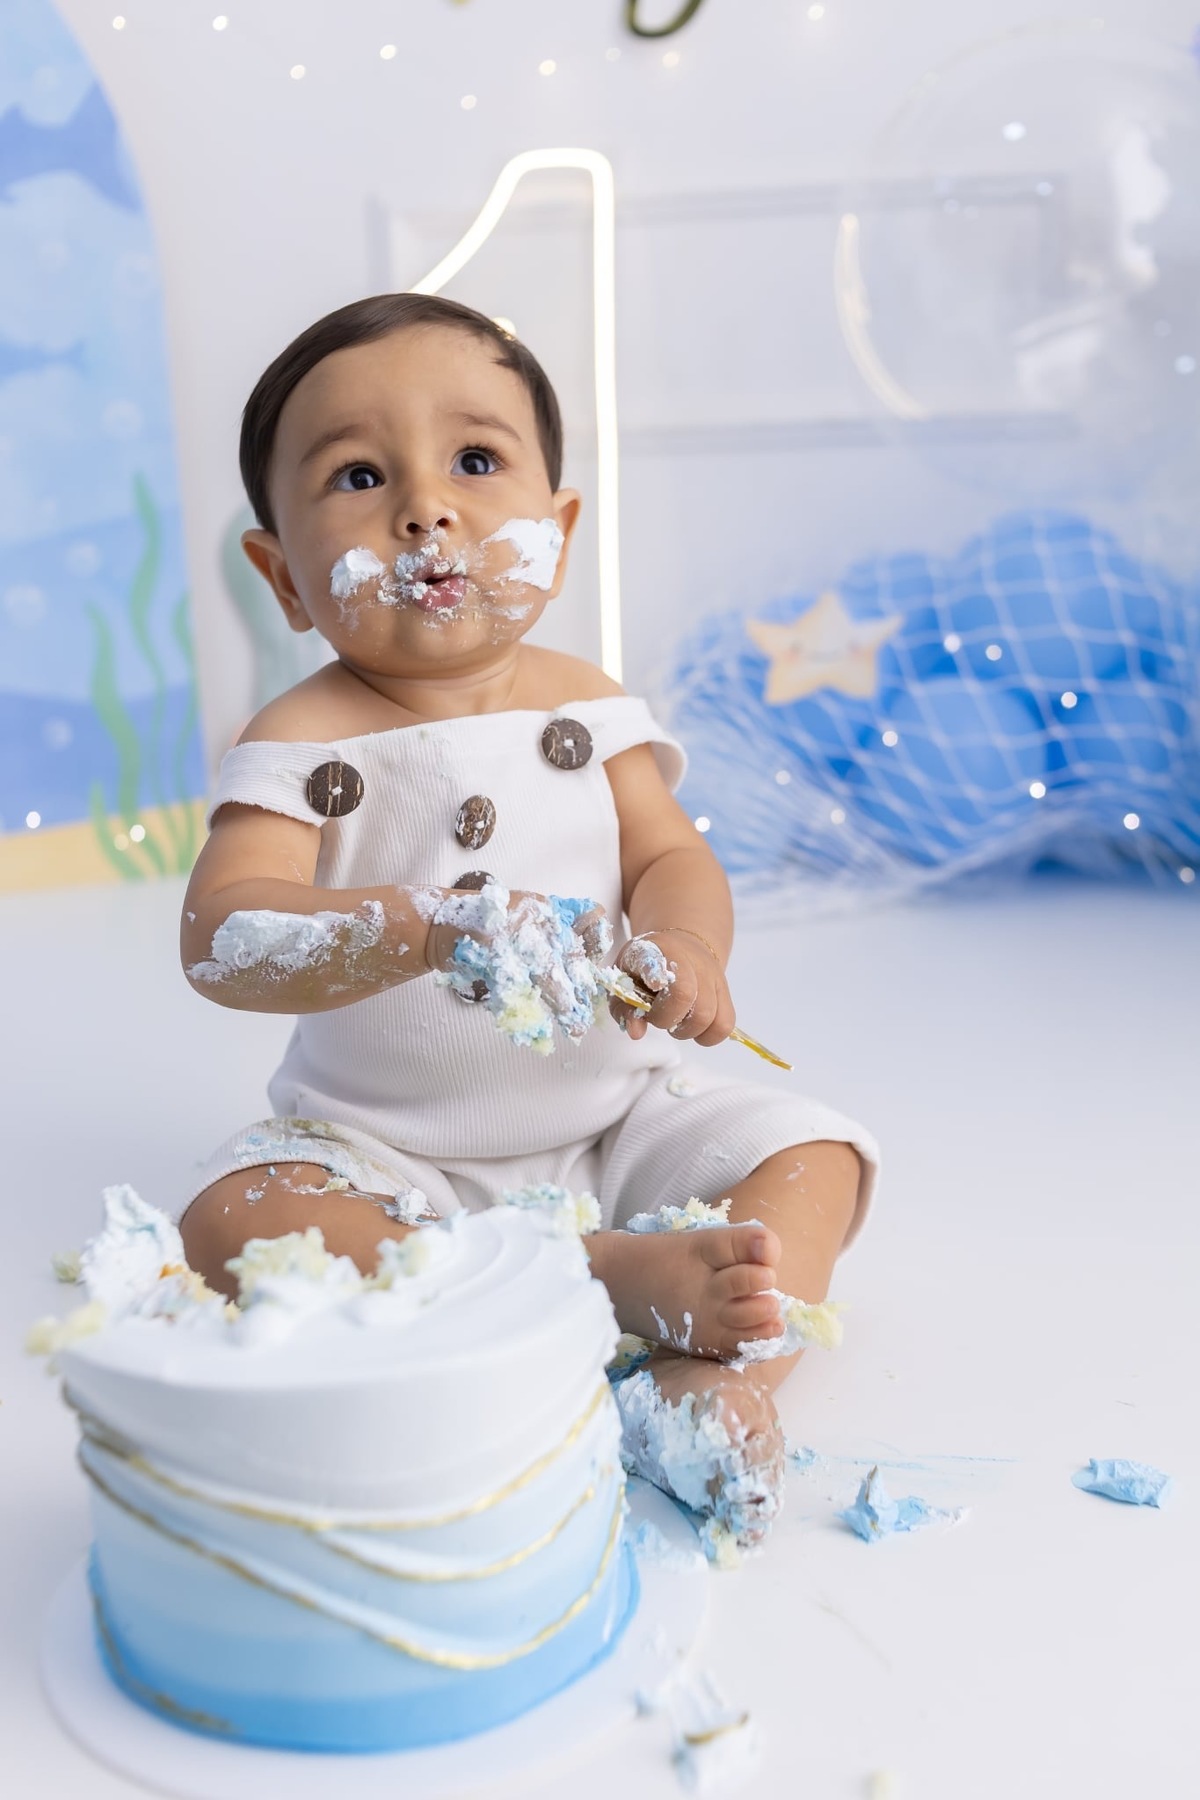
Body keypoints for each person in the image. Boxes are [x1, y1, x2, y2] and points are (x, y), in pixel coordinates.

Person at [178, 293, 878, 1548]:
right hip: (391, 1156)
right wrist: (413, 926)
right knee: (233, 1225)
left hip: (617, 1123)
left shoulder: (590, 708)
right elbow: (224, 935)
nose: (426, 508)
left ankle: (707, 1380)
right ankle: (599, 1282)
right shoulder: (300, 741)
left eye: (477, 460)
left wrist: (693, 944)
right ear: (283, 573)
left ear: (556, 529)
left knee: (821, 1161)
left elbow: (672, 855)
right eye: (357, 474)